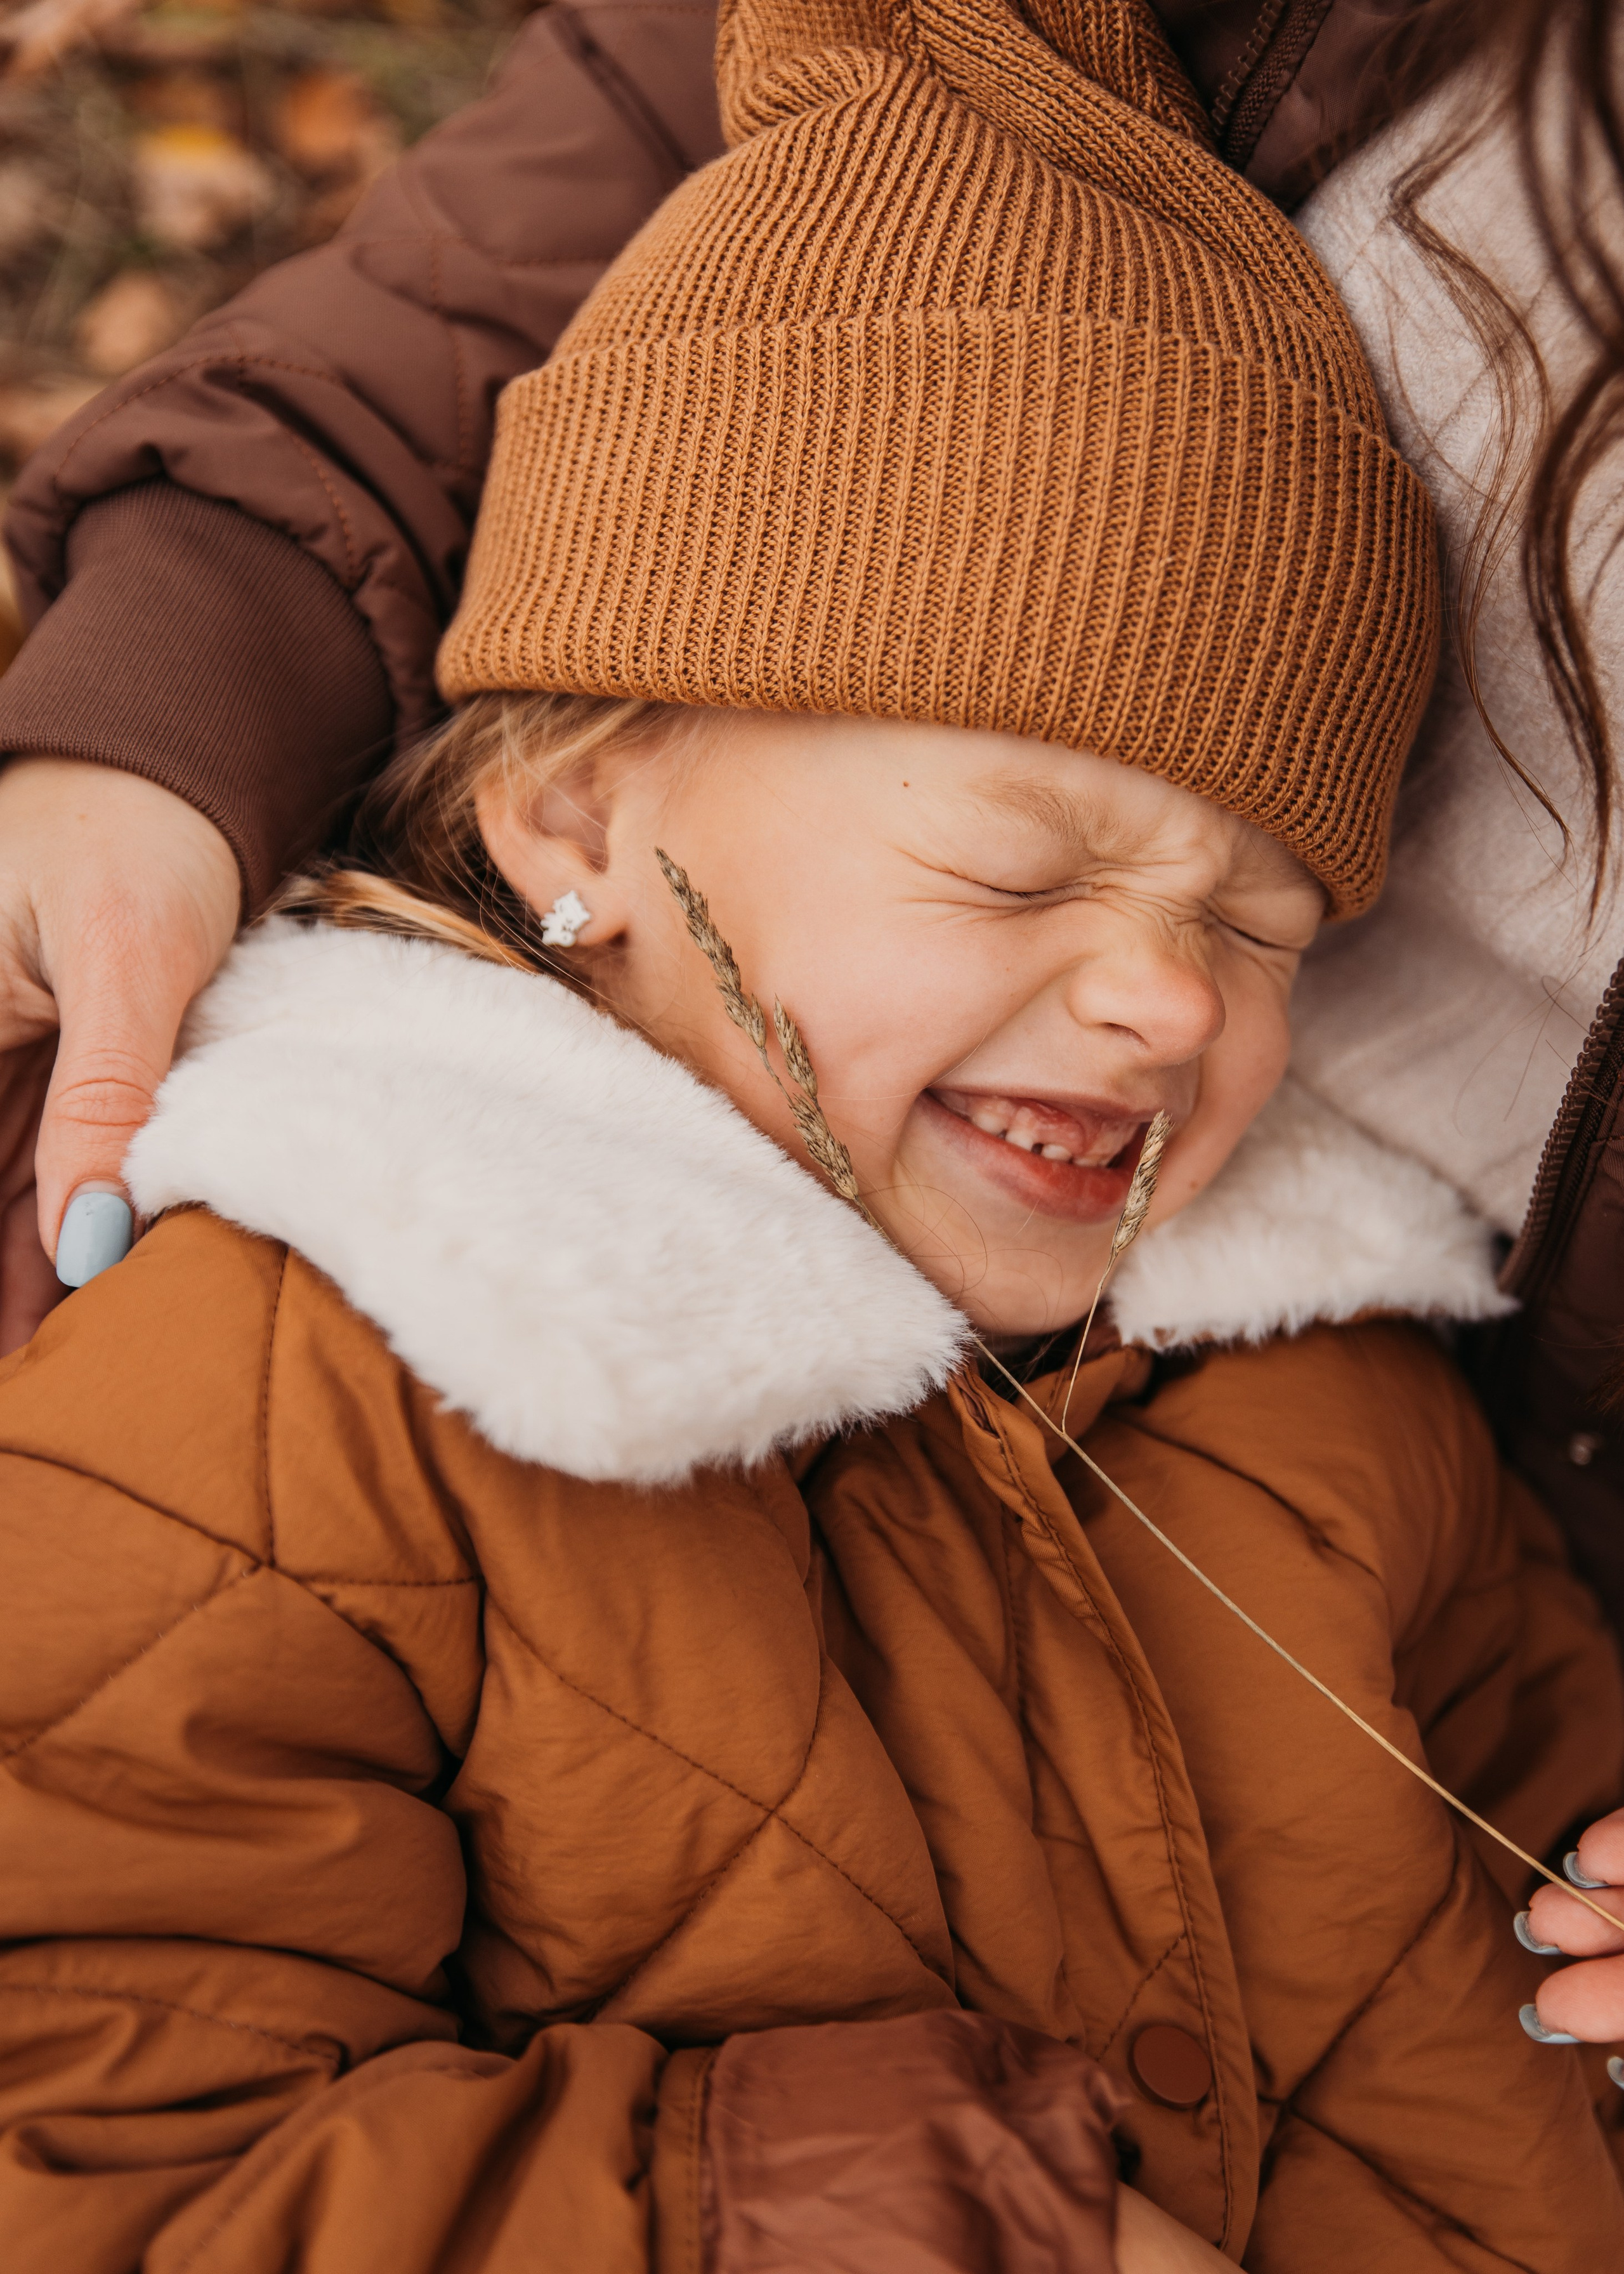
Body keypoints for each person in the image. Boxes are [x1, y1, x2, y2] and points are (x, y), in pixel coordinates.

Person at [4, 0, 1624, 2264]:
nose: (1170, 999)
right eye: (1019, 874)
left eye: (1269, 927)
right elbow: (104, 2146)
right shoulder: (295, 1394)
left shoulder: (1351, 1411)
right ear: (578, 804)